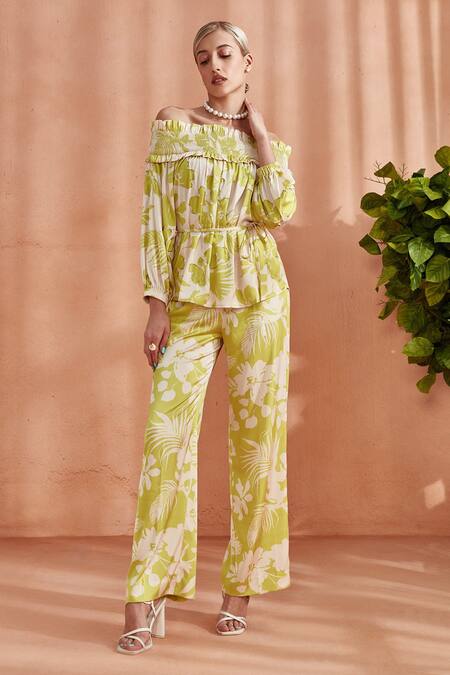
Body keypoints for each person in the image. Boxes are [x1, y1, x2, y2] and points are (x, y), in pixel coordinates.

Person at [117, 19, 297, 655]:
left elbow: (277, 213)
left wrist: (262, 139)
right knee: (166, 436)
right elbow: (155, 217)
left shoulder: (267, 143)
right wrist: (156, 304)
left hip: (260, 297)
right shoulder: (174, 124)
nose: (213, 66)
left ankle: (239, 590)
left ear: (248, 62)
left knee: (258, 442)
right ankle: (146, 594)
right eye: (202, 58)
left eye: (224, 54)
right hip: (190, 301)